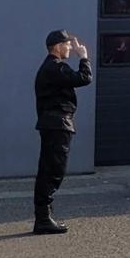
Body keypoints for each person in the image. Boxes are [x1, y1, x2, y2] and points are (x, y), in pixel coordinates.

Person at [32, 30, 93, 235]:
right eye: (67, 45)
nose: (70, 48)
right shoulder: (55, 67)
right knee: (53, 170)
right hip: (57, 124)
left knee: (50, 169)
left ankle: (45, 216)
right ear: (57, 46)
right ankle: (43, 219)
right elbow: (84, 78)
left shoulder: (51, 68)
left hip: (54, 124)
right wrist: (83, 56)